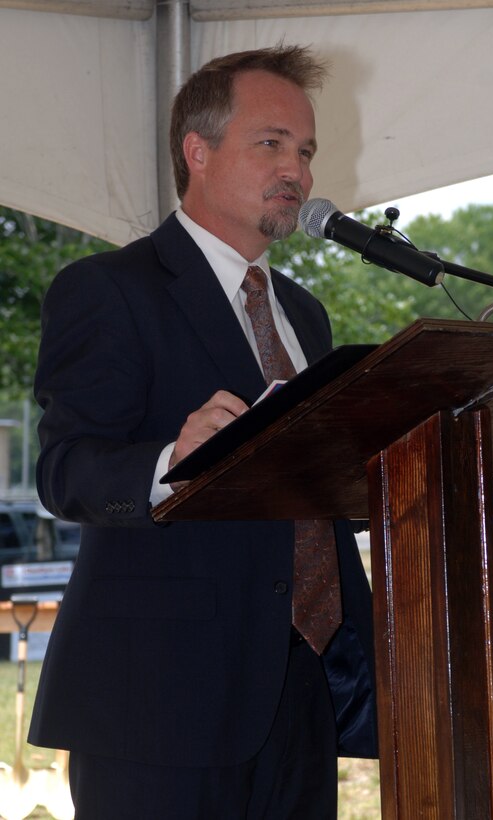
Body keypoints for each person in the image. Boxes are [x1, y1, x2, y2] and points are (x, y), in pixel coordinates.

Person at [29, 45, 377, 819]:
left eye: (306, 151)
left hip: (302, 689)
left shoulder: (305, 316)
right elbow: (65, 470)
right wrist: (169, 462)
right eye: (271, 143)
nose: (297, 169)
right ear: (197, 149)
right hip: (157, 700)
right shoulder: (109, 290)